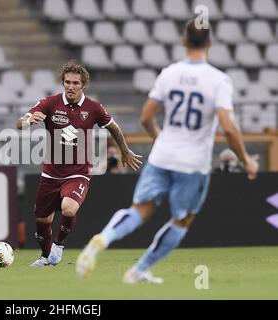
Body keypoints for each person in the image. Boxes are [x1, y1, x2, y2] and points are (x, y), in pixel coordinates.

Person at [76, 18, 259, 283]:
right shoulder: (219, 80)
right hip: (192, 164)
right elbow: (229, 129)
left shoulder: (169, 73)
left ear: (184, 42)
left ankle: (102, 239)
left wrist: (160, 139)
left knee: (138, 210)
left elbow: (146, 116)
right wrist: (246, 161)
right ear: (209, 43)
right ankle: (138, 270)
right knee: (182, 220)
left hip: (162, 156)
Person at [16, 61, 143, 267]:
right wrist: (27, 122)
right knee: (42, 221)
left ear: (83, 84)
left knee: (68, 208)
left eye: (75, 83)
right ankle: (46, 256)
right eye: (67, 82)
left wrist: (124, 149)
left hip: (78, 172)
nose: (71, 86)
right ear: (63, 83)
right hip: (51, 173)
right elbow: (20, 123)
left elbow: (113, 127)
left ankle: (58, 245)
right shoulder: (49, 103)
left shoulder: (93, 108)